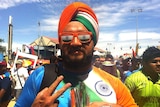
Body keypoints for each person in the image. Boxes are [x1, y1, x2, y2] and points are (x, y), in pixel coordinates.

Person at [15, 2, 137, 107]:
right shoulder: (40, 75)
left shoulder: (114, 84)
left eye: (84, 37)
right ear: (60, 43)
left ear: (94, 42)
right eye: (67, 37)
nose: (75, 43)